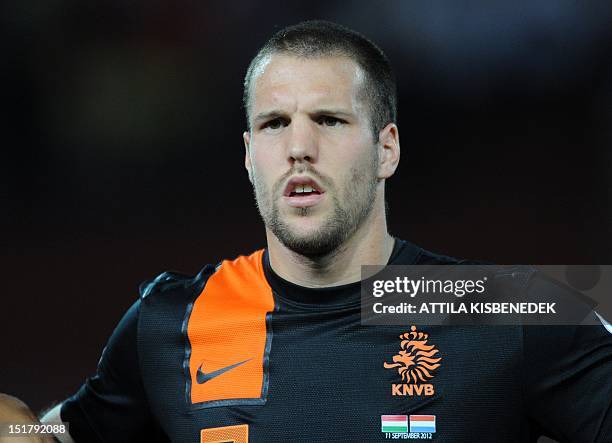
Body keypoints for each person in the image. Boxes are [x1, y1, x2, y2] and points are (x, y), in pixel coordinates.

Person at [1, 20, 611, 443]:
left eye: (329, 119)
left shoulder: (505, 304)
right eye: (273, 124)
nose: (298, 147)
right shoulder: (172, 319)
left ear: (386, 148)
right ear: (248, 154)